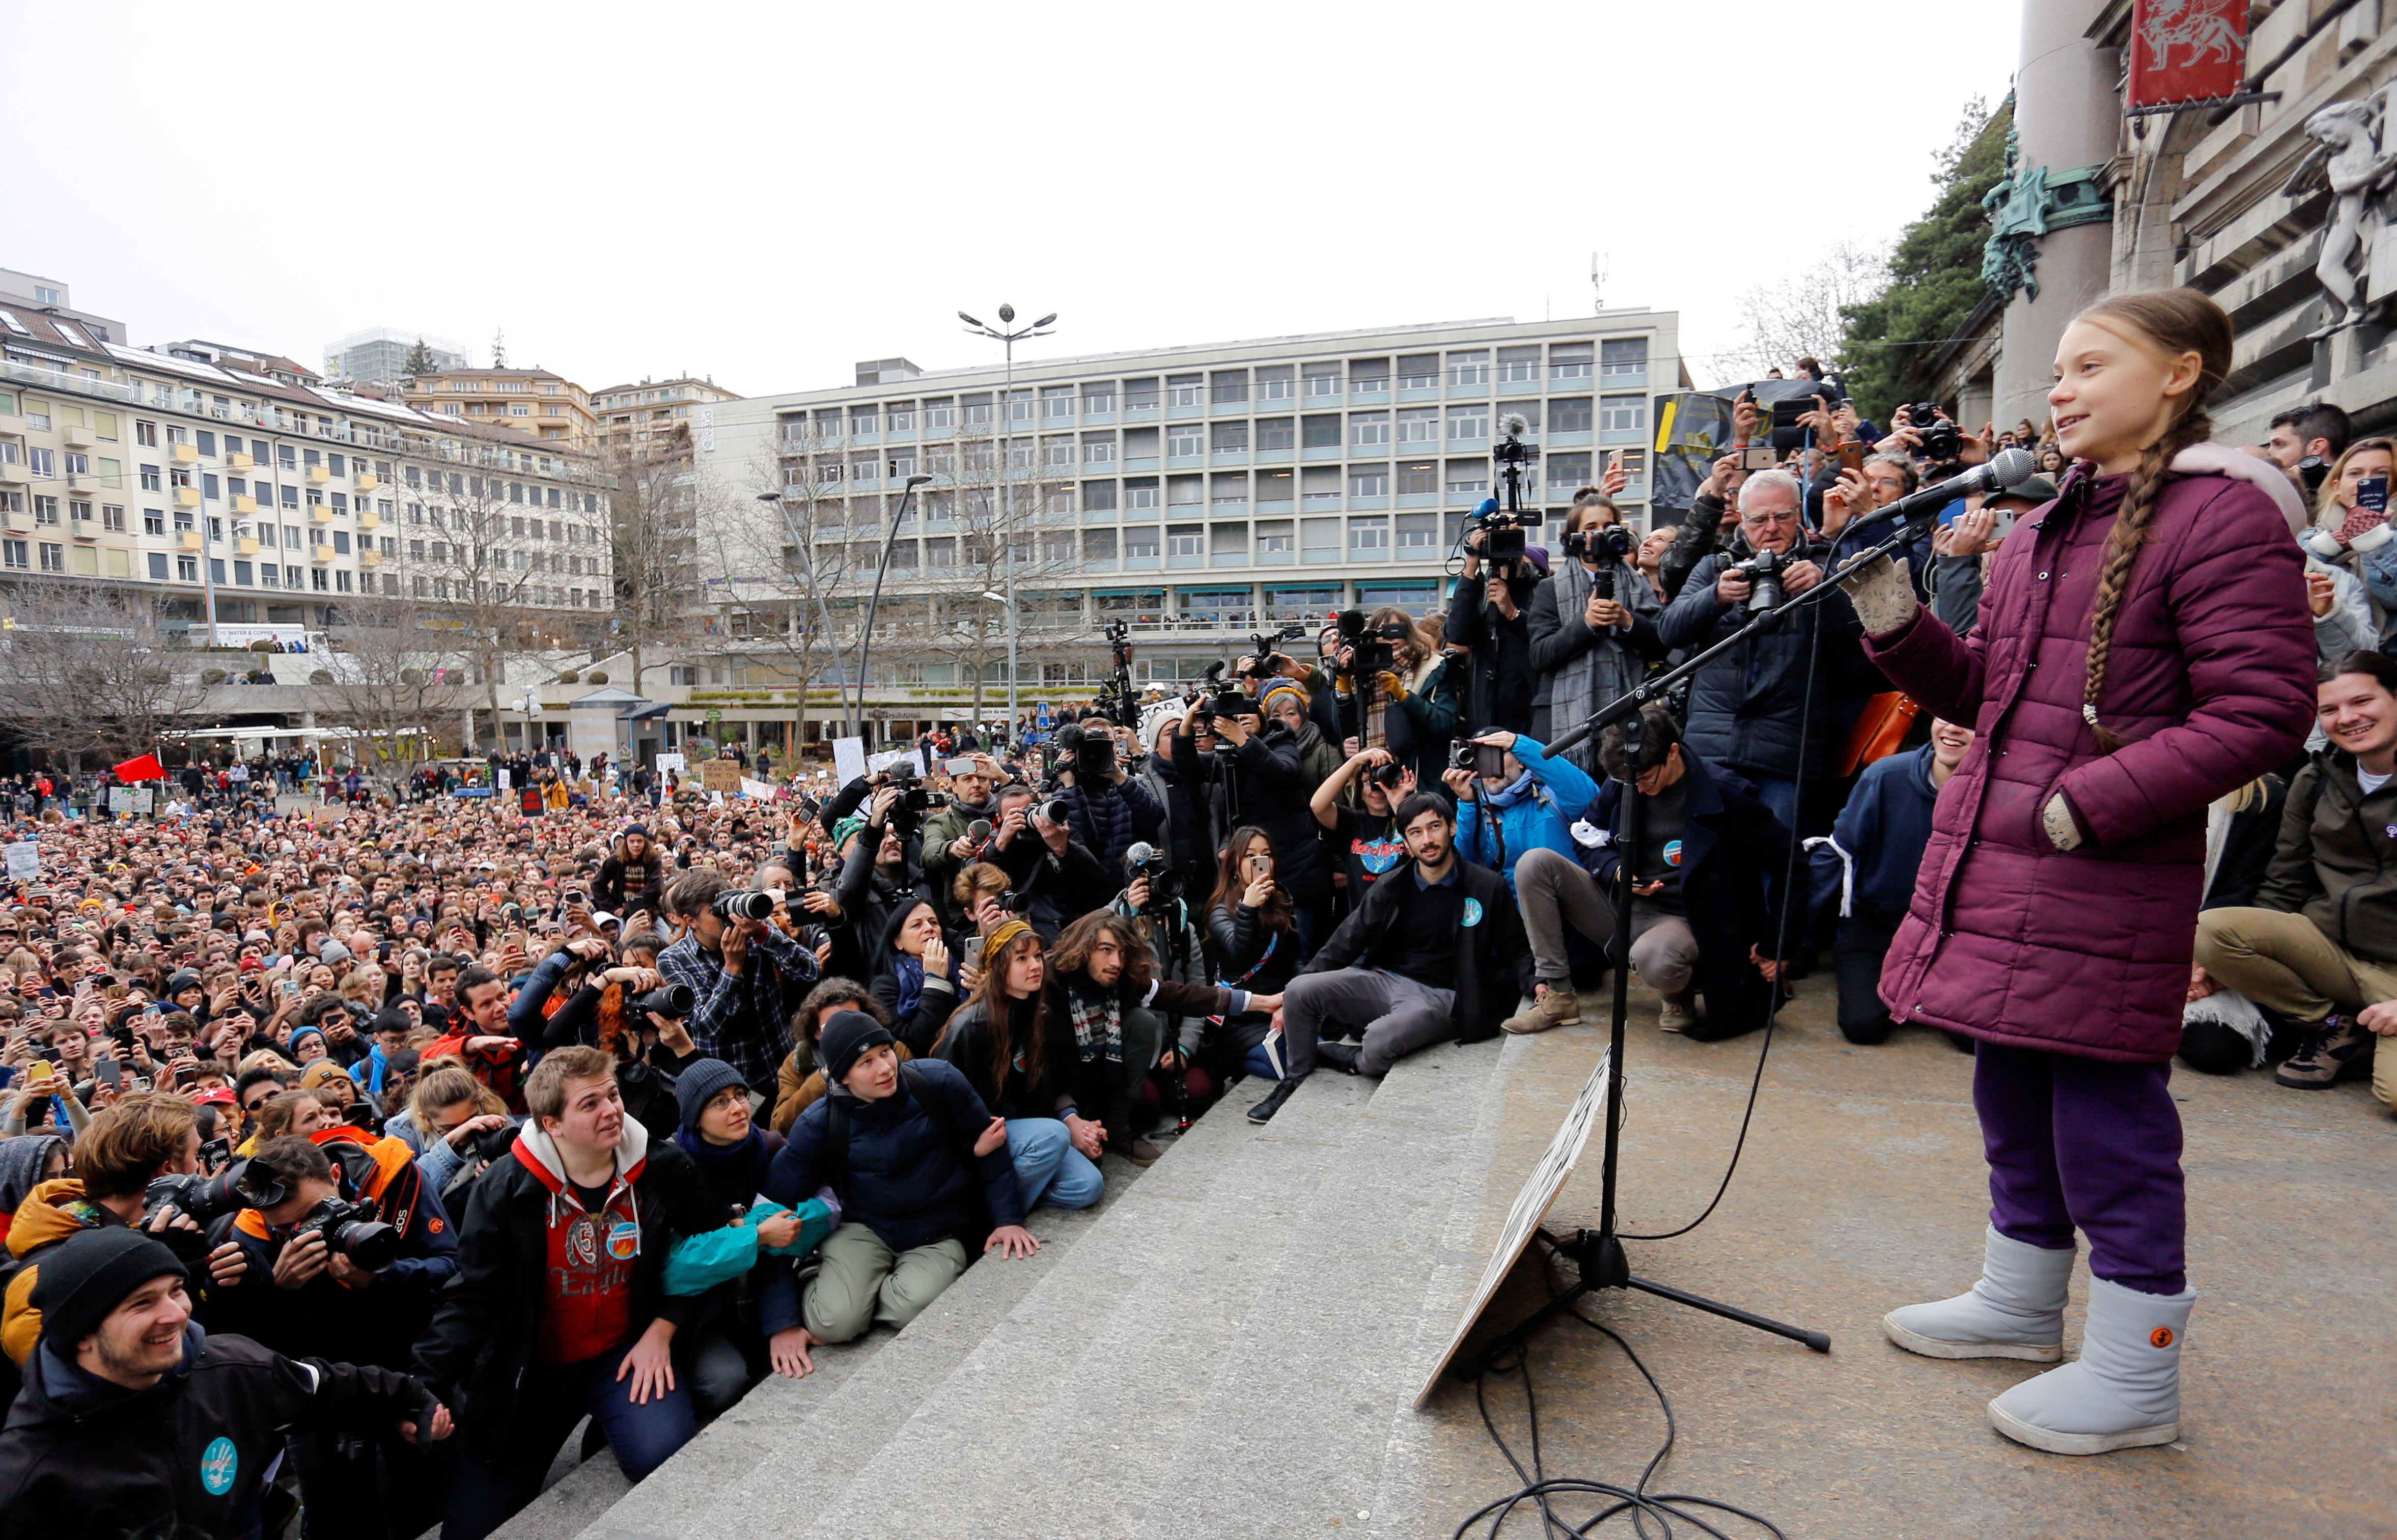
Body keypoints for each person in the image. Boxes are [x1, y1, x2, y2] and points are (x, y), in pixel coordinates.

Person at [1838, 288, 2315, 1455]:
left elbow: (2262, 711)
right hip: (2010, 867)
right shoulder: (2045, 525)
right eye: (2055, 367)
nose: (2058, 388)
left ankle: (2133, 1375)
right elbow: (1990, 695)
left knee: (2108, 1120)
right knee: (2009, 1092)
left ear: (2177, 375)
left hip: (2096, 870)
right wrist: (1894, 617)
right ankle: (2016, 1301)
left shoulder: (2218, 519)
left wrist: (2091, 801)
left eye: (2090, 363)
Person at [414, 1046, 732, 1540]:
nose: (612, 1110)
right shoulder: (502, 1189)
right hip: (531, 1373)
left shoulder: (664, 1165)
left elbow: (705, 1251)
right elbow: (471, 1297)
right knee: (472, 1526)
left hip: (621, 1354)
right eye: (590, 1104)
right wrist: (424, 1384)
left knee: (661, 1454)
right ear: (552, 1124)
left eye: (613, 1095)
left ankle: (609, 1421)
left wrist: (662, 1330)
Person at [0, 1228, 449, 1539]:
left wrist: (411, 1399)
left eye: (177, 1289)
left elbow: (329, 1385)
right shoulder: (28, 1475)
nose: (177, 1314)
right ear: (81, 1333)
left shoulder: (230, 1367)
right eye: (142, 1302)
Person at [1499, 706, 1791, 1040]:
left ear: (1673, 753)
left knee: (1653, 955)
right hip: (1624, 901)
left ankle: (1677, 994)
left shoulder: (1726, 792)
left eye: (1647, 780)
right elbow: (1587, 837)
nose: (1638, 790)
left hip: (1685, 917)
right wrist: (1616, 869)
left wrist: (1777, 942)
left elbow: (1789, 861)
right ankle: (1560, 992)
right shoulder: (1626, 780)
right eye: (1629, 782)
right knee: (1535, 863)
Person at [2191, 652, 2397, 1106]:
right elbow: (2283, 885)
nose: (2348, 718)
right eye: (2330, 710)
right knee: (2212, 930)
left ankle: (2377, 1030)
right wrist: (2220, 965)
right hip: (2335, 955)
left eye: (2363, 701)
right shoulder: (2317, 779)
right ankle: (2333, 1026)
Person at [763, 1011, 1036, 1347]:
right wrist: (782, 1321)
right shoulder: (819, 1123)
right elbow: (774, 1209)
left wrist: (1008, 1220)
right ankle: (826, 1284)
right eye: (866, 1062)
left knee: (915, 1307)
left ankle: (858, 1300)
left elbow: (990, 1142)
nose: (885, 1067)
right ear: (843, 1076)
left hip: (938, 1230)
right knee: (833, 1324)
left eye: (885, 1052)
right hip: (864, 1227)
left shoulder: (936, 1081)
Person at [1250, 793, 1527, 1123]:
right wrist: (1287, 996)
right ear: (1406, 843)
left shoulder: (1486, 886)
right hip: (1386, 981)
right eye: (1415, 832)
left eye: (1434, 827)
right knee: (1300, 989)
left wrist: (1538, 985)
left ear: (1452, 827)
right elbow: (1345, 941)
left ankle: (1353, 1060)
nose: (1427, 840)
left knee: (1380, 1041)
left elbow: (1516, 949)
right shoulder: (1392, 885)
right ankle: (1294, 1078)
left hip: (1442, 997)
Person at [1659, 468, 1876, 839]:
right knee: (1711, 865)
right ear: (1742, 519)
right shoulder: (1716, 567)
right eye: (1760, 519)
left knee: (1778, 870)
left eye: (1783, 516)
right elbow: (1669, 631)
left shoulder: (1825, 566)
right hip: (1714, 746)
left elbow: (1864, 656)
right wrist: (1716, 597)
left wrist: (1826, 590)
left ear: (1799, 515)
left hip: (1787, 755)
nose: (1771, 528)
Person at [1805, 717, 1977, 1046]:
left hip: (1958, 936)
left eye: (1970, 723)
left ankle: (1924, 985)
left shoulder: (2001, 791)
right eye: (1945, 717)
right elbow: (1836, 856)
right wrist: (1790, 937)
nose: (1953, 729)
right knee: (1862, 1026)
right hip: (1880, 925)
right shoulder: (1884, 776)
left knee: (1971, 1041)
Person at [1526, 494, 1664, 770]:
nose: (1600, 534)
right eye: (1591, 528)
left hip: (1628, 716)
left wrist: (1627, 621)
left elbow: (1663, 643)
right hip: (1564, 722)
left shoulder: (1638, 584)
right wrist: (1586, 624)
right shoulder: (1551, 588)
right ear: (1574, 537)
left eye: (1609, 525)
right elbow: (1540, 655)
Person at [656, 868, 822, 1097]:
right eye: (718, 912)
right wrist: (733, 968)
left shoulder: (756, 930)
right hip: (732, 1085)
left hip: (780, 1069)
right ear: (691, 921)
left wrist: (765, 934)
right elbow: (709, 1026)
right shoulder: (673, 959)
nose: (730, 919)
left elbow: (810, 971)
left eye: (731, 906)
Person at [1444, 730, 1600, 895]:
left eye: (1498, 754)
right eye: (1482, 758)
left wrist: (1521, 745)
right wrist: (1469, 803)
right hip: (1519, 916)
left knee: (1532, 861)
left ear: (1520, 761)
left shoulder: (1554, 794)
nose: (1492, 764)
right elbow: (1470, 866)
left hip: (1577, 905)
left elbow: (1589, 801)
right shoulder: (1478, 814)